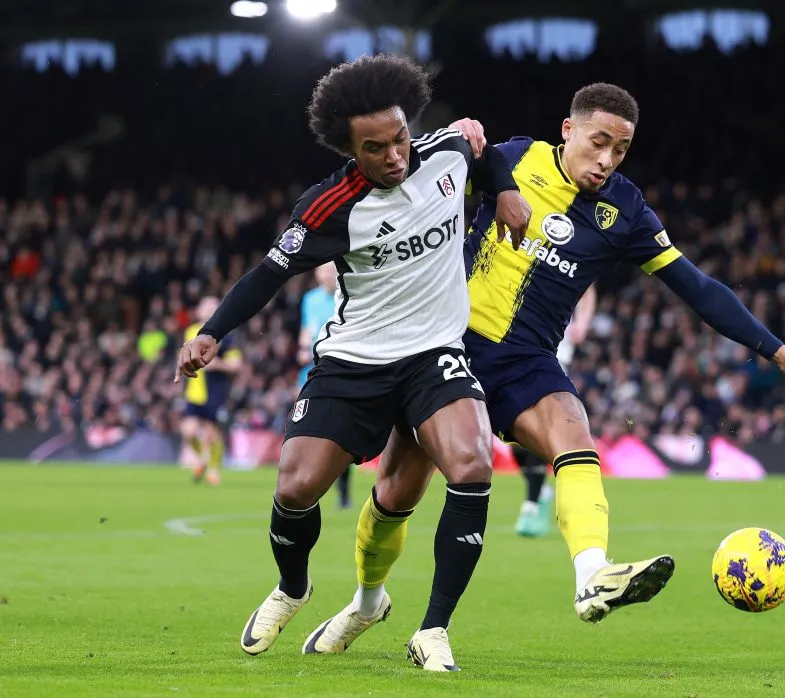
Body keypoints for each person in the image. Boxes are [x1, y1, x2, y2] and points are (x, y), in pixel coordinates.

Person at [324, 82, 785, 664]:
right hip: (447, 347)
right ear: (567, 130)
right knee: (396, 491)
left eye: (621, 150)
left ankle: (589, 575)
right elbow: (418, 182)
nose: (607, 160)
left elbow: (696, 287)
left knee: (574, 433)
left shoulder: (626, 211)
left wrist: (775, 350)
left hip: (526, 362)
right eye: (598, 143)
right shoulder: (513, 159)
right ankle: (367, 602)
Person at [174, 55, 530, 667]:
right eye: (376, 148)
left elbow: (483, 149)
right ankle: (293, 587)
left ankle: (434, 628)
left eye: (399, 139)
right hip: (354, 360)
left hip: (434, 354)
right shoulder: (328, 207)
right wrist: (213, 333)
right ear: (349, 150)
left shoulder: (444, 154)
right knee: (297, 484)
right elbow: (268, 272)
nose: (395, 156)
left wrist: (505, 188)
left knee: (471, 466)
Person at [514, 284, 596, 537]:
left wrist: (582, 321)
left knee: (540, 417)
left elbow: (588, 287)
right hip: (515, 345)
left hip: (553, 351)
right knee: (513, 429)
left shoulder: (565, 247)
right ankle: (539, 489)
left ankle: (531, 504)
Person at [296, 262, 352, 509]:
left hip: (341, 369)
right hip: (312, 370)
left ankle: (342, 491)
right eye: (323, 270)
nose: (327, 274)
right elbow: (306, 330)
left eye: (331, 270)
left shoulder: (348, 292)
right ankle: (306, 487)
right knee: (308, 430)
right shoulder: (309, 299)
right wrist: (301, 346)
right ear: (316, 274)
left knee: (342, 433)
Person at [180, 295, 242, 485]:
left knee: (211, 434)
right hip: (194, 390)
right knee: (188, 431)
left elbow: (236, 364)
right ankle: (203, 459)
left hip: (215, 390)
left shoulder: (226, 335)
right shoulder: (190, 331)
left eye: (213, 308)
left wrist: (218, 364)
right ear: (198, 311)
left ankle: (213, 470)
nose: (208, 311)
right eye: (205, 307)